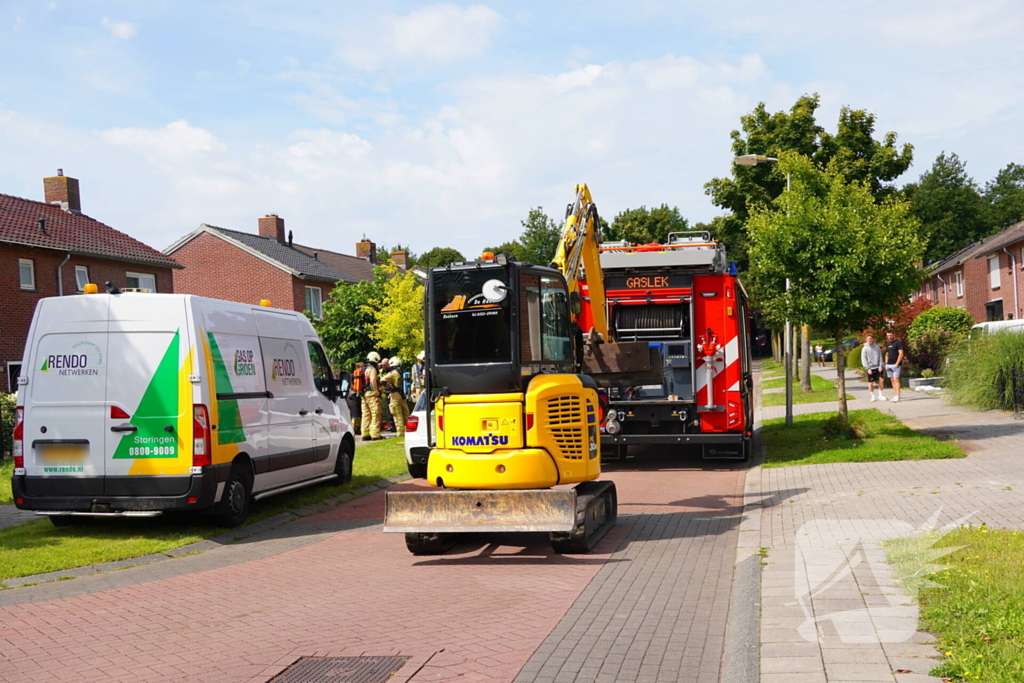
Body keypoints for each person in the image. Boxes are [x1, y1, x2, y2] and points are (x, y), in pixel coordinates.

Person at [384, 356, 410, 437]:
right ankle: (408, 431)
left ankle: (400, 433)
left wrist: (387, 386)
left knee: (397, 414)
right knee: (405, 414)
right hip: (403, 396)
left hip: (395, 396)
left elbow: (383, 380)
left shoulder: (393, 373)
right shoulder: (403, 372)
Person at [361, 352, 383, 440]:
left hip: (364, 395)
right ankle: (375, 435)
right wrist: (376, 392)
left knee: (366, 415)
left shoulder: (364, 369)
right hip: (371, 395)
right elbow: (373, 381)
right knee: (375, 414)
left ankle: (365, 434)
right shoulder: (372, 369)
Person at [884, 331, 906, 402]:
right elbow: (887, 354)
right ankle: (895, 395)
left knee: (896, 380)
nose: (889, 337)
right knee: (892, 380)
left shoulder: (898, 343)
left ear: (894, 334)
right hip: (889, 365)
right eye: (888, 335)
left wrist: (897, 364)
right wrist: (886, 363)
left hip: (895, 365)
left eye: (890, 335)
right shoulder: (888, 344)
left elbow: (901, 354)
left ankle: (898, 396)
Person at [861, 335, 884, 401]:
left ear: (873, 339)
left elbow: (880, 356)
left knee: (881, 380)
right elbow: (864, 359)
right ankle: (872, 396)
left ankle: (880, 395)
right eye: (868, 339)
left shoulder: (877, 347)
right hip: (870, 368)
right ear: (866, 340)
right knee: (870, 382)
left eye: (870, 339)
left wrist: (880, 366)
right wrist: (868, 368)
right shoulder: (865, 348)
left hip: (878, 366)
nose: (869, 340)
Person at [348, 362, 364, 435]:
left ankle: (358, 429)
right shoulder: (352, 375)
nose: (363, 368)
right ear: (357, 367)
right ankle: (354, 429)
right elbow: (350, 385)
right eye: (362, 367)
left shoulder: (361, 375)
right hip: (352, 396)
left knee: (359, 413)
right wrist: (356, 388)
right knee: (355, 413)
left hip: (358, 395)